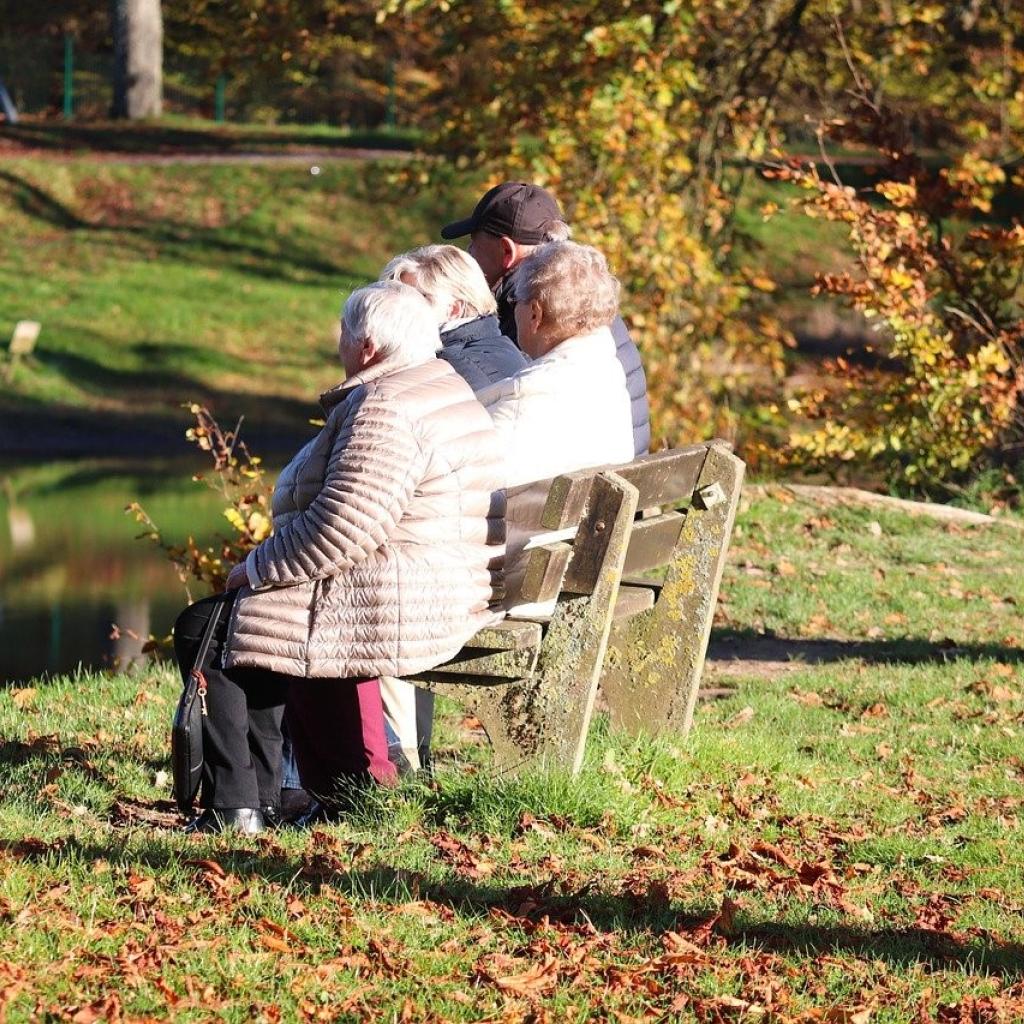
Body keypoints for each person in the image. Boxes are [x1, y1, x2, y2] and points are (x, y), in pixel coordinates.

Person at [172, 281, 505, 833]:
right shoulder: (434, 384)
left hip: (399, 591)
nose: (340, 345)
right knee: (252, 625)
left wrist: (254, 568)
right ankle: (265, 799)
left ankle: (238, 807)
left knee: (208, 629)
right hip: (432, 577)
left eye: (344, 334)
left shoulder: (387, 408)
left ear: (367, 347)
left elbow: (342, 527)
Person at [374, 244, 524, 773]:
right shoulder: (500, 355)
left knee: (374, 598)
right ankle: (410, 754)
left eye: (410, 300)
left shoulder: (447, 376)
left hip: (489, 576)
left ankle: (400, 764)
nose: (394, 314)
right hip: (519, 560)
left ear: (455, 309)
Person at [476, 240, 634, 613]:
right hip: (576, 572)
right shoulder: (607, 373)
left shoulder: (528, 396)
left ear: (534, 313)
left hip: (526, 592)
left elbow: (467, 495)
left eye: (513, 304)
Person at [442, 181, 651, 456]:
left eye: (474, 244)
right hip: (620, 470)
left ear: (507, 251)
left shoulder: (527, 308)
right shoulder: (588, 295)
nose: (469, 253)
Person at [380, 244, 527, 393]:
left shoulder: (441, 368)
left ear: (455, 309)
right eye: (394, 298)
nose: (397, 309)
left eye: (416, 300)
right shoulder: (508, 349)